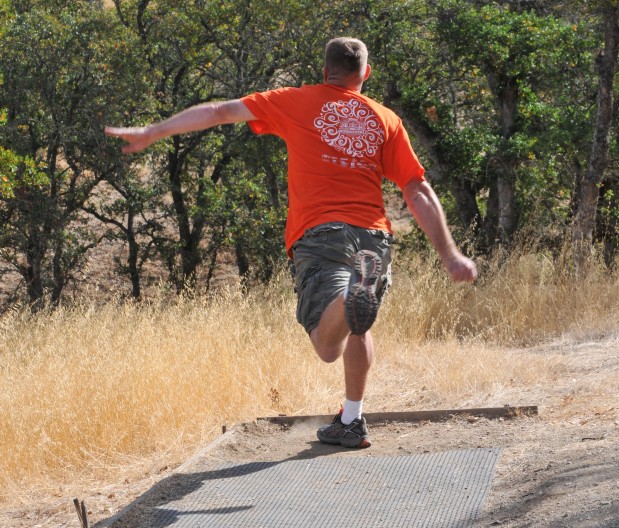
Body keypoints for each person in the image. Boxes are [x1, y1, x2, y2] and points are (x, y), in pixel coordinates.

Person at [105, 38, 476, 449]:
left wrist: (154, 131)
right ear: (365, 75)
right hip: (374, 234)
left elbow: (219, 111)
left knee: (325, 343)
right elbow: (417, 191)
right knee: (358, 323)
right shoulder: (385, 119)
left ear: (325, 72)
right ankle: (350, 420)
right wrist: (451, 255)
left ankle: (354, 295)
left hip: (322, 235)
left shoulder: (294, 101)